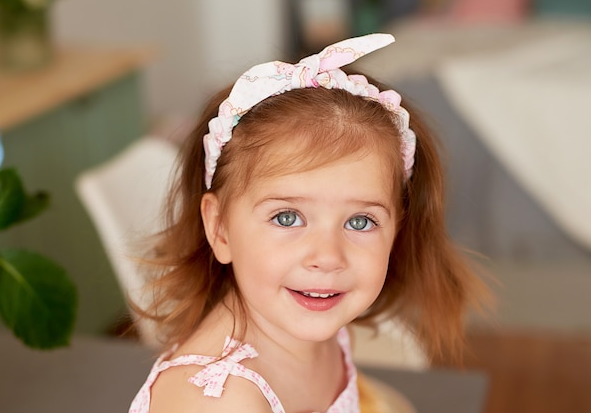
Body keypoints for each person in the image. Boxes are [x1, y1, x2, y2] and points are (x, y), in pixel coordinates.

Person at [128, 33, 486, 413]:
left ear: (398, 227)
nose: (328, 257)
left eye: (361, 221)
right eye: (287, 217)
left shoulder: (311, 320)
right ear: (219, 228)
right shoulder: (218, 401)